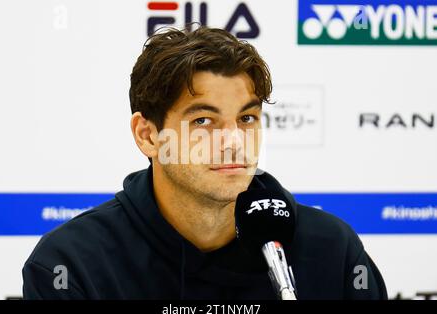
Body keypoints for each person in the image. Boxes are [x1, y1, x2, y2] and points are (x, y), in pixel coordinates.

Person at [22, 26, 387, 299]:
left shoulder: (331, 249)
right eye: (203, 121)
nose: (234, 142)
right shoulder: (71, 264)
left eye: (246, 119)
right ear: (148, 136)